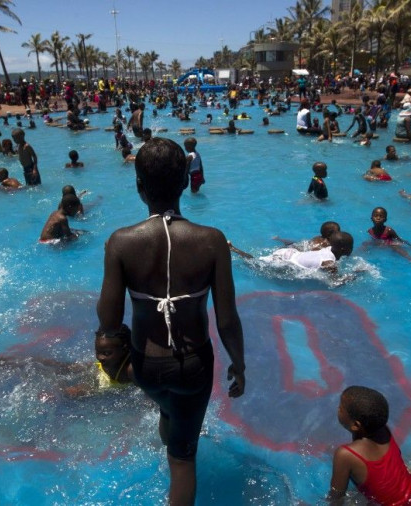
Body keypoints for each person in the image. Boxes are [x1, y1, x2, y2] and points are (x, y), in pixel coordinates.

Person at [97, 137, 245, 506]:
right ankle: (178, 445)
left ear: (138, 186)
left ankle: (173, 431)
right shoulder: (211, 241)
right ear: (185, 182)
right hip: (193, 365)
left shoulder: (121, 242)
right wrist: (239, 364)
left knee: (167, 406)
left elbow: (109, 318)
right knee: (183, 461)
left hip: (146, 365)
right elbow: (227, 319)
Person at [328, 385, 411, 505]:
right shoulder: (383, 430)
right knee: (407, 467)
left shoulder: (345, 455)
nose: (337, 408)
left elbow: (336, 497)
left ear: (356, 425)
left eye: (340, 408)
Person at [229, 231, 354, 275]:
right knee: (254, 263)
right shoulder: (329, 264)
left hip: (290, 252)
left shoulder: (327, 248)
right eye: (351, 247)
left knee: (258, 260)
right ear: (344, 250)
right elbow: (336, 283)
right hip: (284, 260)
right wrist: (356, 274)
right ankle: (233, 249)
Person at [272, 220, 340, 252]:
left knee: (293, 244)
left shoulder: (317, 237)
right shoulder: (328, 243)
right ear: (330, 235)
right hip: (305, 252)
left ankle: (278, 239)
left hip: (302, 246)